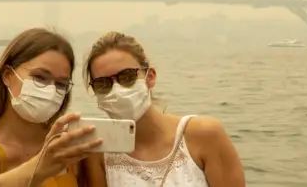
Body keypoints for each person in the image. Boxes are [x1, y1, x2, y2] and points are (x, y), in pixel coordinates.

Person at [83, 32, 245, 187]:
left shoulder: (206, 135)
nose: (117, 89)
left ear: (150, 77)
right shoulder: (98, 153)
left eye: (127, 77)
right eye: (103, 84)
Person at [0, 28, 102, 187]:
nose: (50, 90)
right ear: (7, 76)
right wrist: (41, 166)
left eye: (61, 84)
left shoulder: (68, 149)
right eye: (39, 77)